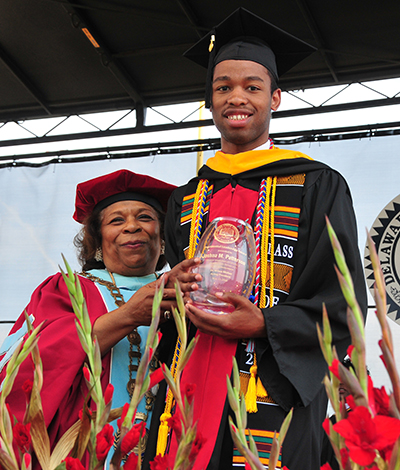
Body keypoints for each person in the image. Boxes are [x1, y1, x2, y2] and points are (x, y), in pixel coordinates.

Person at [145, 8, 367, 470]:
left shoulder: (317, 185)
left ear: (277, 98)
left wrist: (265, 324)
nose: (236, 97)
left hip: (273, 384)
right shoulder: (186, 197)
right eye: (223, 87)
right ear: (210, 100)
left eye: (252, 86)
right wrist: (174, 291)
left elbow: (344, 304)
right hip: (188, 380)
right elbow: (176, 287)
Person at [0, 169, 199, 469]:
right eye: (116, 220)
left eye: (145, 217)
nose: (132, 226)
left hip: (167, 447)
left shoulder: (185, 292)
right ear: (96, 239)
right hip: (86, 449)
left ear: (163, 234)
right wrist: (128, 315)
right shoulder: (68, 289)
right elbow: (30, 364)